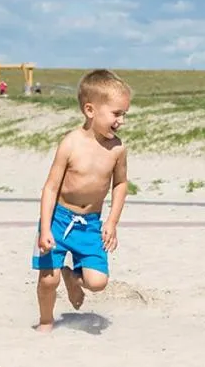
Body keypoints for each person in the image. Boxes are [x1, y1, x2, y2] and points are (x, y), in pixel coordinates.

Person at [32, 69, 131, 332]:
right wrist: (44, 229)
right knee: (47, 281)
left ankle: (72, 276)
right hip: (58, 220)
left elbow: (120, 184)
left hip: (90, 225)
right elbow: (50, 188)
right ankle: (45, 321)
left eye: (124, 114)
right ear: (90, 110)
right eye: (116, 114)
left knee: (98, 282)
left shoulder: (117, 149)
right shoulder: (70, 143)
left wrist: (112, 221)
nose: (121, 121)